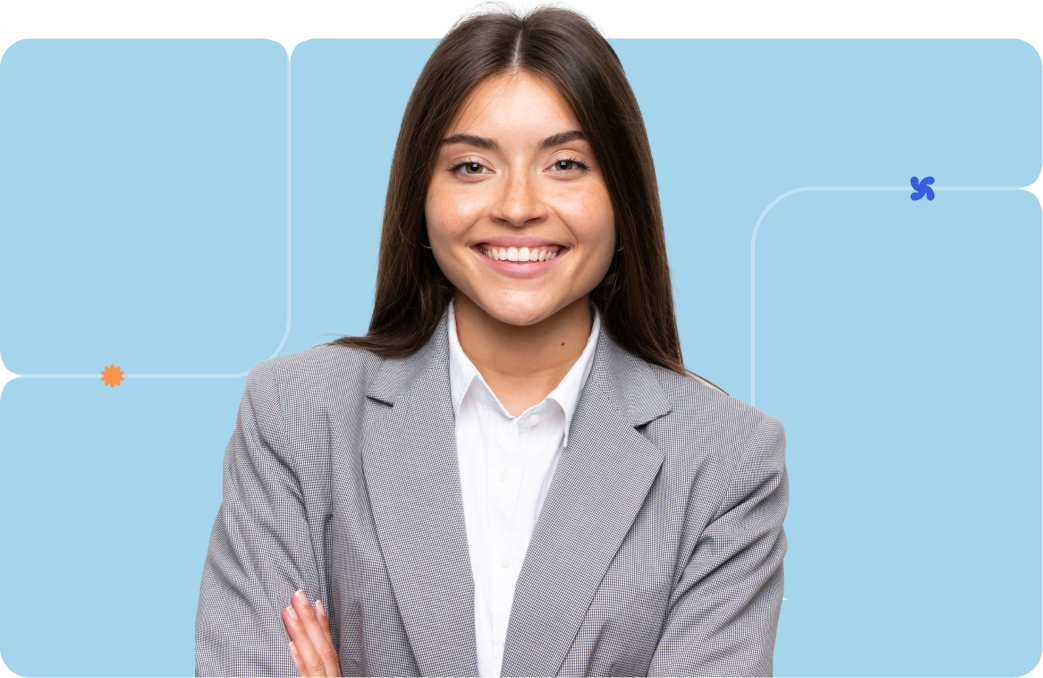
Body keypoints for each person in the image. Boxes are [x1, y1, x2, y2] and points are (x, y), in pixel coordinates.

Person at [195, 2, 789, 677]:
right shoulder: (297, 414)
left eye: (565, 164)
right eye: (472, 167)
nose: (515, 205)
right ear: (419, 192)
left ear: (621, 191)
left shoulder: (726, 460)